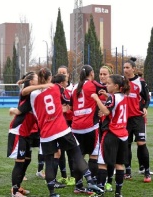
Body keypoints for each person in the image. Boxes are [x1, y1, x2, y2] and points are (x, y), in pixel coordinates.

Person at [23, 67, 104, 197]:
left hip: (46, 133)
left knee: (49, 161)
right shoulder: (56, 88)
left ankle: (52, 193)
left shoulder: (32, 95)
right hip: (61, 128)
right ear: (50, 78)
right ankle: (90, 181)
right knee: (76, 153)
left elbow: (24, 92)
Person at [91, 74, 130, 197]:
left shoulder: (112, 97)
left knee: (102, 163)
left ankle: (100, 192)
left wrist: (97, 99)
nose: (106, 85)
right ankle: (118, 193)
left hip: (111, 133)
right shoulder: (124, 96)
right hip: (123, 134)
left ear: (116, 86)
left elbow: (107, 111)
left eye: (108, 83)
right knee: (119, 164)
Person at [70, 65, 106, 194]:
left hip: (75, 127)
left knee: (79, 157)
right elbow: (107, 88)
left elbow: (71, 106)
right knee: (94, 155)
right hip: (90, 126)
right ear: (91, 73)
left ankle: (78, 185)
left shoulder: (74, 87)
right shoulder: (93, 85)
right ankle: (93, 182)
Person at [7, 72, 38, 197]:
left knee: (26, 160)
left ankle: (18, 187)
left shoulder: (34, 94)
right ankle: (14, 192)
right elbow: (24, 91)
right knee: (19, 162)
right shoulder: (27, 93)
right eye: (36, 78)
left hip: (26, 133)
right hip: (18, 131)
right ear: (31, 82)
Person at [123, 57, 152, 183]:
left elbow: (147, 98)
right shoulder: (122, 82)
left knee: (141, 143)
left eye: (127, 67)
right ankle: (128, 171)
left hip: (138, 118)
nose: (125, 70)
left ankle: (146, 171)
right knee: (126, 145)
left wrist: (145, 108)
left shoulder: (141, 82)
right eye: (124, 68)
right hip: (124, 119)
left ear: (133, 69)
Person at [96, 64, 115, 193]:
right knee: (100, 154)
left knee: (110, 154)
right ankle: (100, 180)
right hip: (98, 125)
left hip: (111, 127)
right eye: (100, 74)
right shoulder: (95, 88)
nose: (102, 77)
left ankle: (109, 181)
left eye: (105, 74)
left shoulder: (114, 89)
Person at [55, 66, 75, 186]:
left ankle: (72, 177)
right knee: (60, 151)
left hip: (71, 123)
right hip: (59, 124)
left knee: (71, 151)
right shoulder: (55, 90)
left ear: (68, 75)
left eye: (64, 73)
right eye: (60, 73)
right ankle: (63, 176)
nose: (62, 75)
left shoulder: (73, 89)